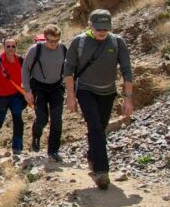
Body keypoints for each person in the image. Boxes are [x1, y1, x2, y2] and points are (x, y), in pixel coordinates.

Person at [64, 10, 133, 190]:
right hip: (86, 90)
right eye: (98, 28)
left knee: (100, 128)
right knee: (94, 126)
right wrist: (71, 96)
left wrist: (128, 99)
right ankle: (102, 171)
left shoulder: (117, 42)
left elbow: (127, 70)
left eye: (106, 28)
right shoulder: (79, 43)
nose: (102, 31)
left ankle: (92, 156)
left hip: (108, 92)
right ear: (90, 25)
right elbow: (69, 71)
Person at [23, 24, 67, 161]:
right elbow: (25, 69)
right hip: (38, 87)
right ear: (44, 38)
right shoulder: (36, 50)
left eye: (56, 40)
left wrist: (71, 89)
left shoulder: (64, 49)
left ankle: (53, 150)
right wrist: (27, 91)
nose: (53, 44)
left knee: (57, 119)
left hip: (56, 87)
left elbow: (69, 69)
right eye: (50, 41)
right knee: (42, 118)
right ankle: (36, 135)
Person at [0, 38, 25, 155]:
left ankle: (17, 148)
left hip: (16, 96)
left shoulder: (21, 60)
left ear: (16, 47)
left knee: (18, 120)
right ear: (4, 47)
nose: (11, 48)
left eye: (13, 46)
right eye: (8, 46)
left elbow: (27, 74)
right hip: (0, 96)